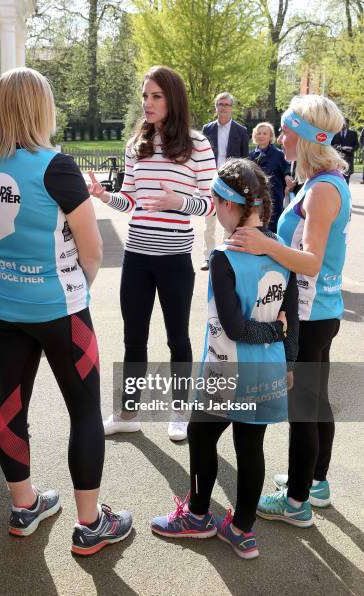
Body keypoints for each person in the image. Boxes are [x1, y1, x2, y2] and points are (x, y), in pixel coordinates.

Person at [0, 67, 132, 555]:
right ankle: (90, 524)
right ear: (42, 108)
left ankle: (24, 506)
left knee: (10, 406)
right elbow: (93, 251)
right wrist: (75, 290)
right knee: (83, 410)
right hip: (60, 311)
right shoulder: (55, 166)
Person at [151, 158, 298, 559]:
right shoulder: (282, 252)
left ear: (230, 205)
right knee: (251, 448)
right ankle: (242, 530)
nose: (215, 210)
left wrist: (275, 331)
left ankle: (197, 517)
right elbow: (293, 316)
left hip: (225, 370)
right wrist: (287, 360)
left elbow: (235, 327)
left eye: (216, 203)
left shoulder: (223, 255)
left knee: (201, 437)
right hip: (265, 372)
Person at [228, 95, 351, 526]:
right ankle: (314, 482)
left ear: (305, 135)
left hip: (312, 313)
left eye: (285, 129)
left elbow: (312, 260)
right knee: (315, 401)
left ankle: (297, 502)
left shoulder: (322, 190)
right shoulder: (326, 182)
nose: (279, 137)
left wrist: (265, 244)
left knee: (303, 408)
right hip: (320, 310)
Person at [89, 65, 216, 442]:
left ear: (172, 99)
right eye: (145, 95)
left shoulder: (198, 145)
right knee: (134, 337)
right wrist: (103, 196)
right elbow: (129, 201)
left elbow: (211, 205)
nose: (148, 102)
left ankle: (179, 412)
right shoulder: (135, 145)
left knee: (178, 337)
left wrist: (179, 201)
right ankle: (129, 411)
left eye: (156, 96)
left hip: (176, 260)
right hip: (137, 258)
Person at [201, 92, 249, 269]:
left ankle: (225, 255)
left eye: (226, 104)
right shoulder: (208, 129)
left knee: (229, 220)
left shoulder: (241, 131)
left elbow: (245, 159)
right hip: (211, 180)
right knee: (209, 221)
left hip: (231, 182)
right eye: (220, 104)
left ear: (231, 108)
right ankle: (208, 257)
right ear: (216, 107)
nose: (223, 108)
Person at [249, 122, 294, 232]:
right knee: (256, 228)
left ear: (270, 136)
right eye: (258, 133)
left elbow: (287, 168)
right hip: (256, 199)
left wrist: (287, 175)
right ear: (255, 136)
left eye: (265, 133)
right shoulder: (250, 156)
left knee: (272, 231)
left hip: (274, 199)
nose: (261, 136)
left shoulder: (279, 154)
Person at [331, 117, 359, 184]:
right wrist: (339, 147)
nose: (343, 125)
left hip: (348, 158)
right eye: (342, 123)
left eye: (345, 123)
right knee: (337, 177)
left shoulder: (353, 134)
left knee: (346, 178)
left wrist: (351, 149)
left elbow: (357, 146)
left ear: (348, 124)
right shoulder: (335, 134)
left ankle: (345, 193)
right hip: (337, 159)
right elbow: (331, 145)